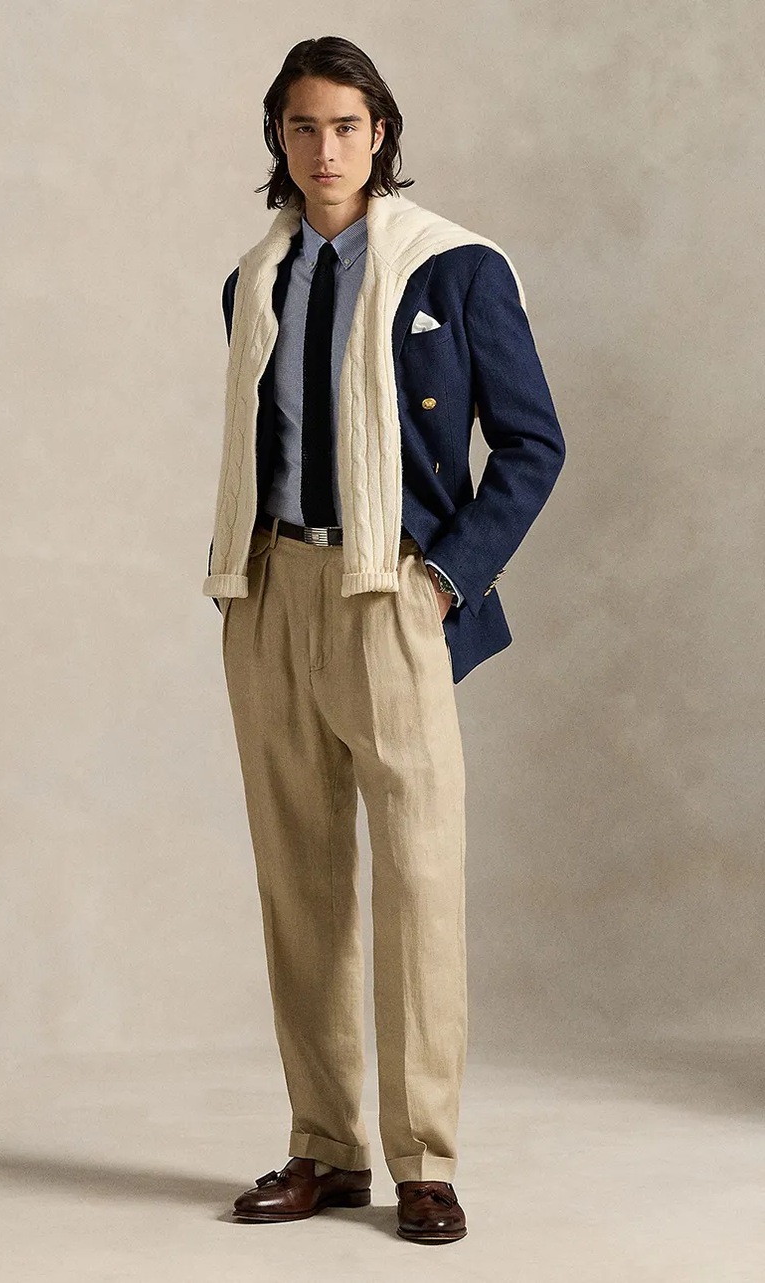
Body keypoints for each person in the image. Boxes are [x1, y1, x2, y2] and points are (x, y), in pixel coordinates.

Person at [203, 36, 566, 1245]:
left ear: (381, 134)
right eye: (303, 126)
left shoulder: (455, 270)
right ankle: (325, 1148)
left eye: (347, 126)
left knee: (418, 882)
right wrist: (246, 583)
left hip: (392, 592)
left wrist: (445, 579)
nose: (325, 149)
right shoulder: (252, 280)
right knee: (297, 884)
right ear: (279, 137)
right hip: (272, 588)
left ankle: (425, 1158)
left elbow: (533, 443)